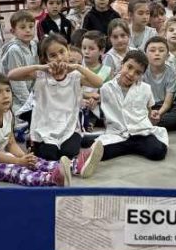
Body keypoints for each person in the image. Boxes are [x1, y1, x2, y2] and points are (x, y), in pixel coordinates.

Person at [8, 34, 104, 176]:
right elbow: (11, 75)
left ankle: (75, 159)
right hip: (44, 127)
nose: (59, 58)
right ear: (46, 58)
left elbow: (99, 82)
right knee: (50, 154)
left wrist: (77, 66)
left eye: (62, 52)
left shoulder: (75, 75)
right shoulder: (41, 74)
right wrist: (41, 66)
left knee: (68, 152)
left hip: (69, 126)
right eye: (53, 55)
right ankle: (75, 166)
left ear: (68, 51)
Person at [0, 74, 70, 186]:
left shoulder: (7, 114)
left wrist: (25, 158)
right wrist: (19, 161)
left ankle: (72, 167)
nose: (5, 96)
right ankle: (51, 178)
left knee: (35, 161)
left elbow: (11, 143)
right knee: (16, 170)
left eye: (7, 90)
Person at [90, 50, 168, 162]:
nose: (131, 74)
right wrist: (93, 101)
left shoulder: (145, 89)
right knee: (101, 153)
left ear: (142, 75)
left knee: (158, 152)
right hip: (118, 133)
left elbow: (149, 112)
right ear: (122, 64)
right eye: (129, 67)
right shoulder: (106, 88)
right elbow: (95, 100)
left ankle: (128, 146)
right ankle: (128, 146)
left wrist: (153, 117)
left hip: (141, 132)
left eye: (138, 73)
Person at [1, 10, 38, 116]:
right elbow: (16, 82)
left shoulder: (34, 45)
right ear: (13, 31)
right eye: (22, 27)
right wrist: (29, 103)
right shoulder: (14, 50)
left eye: (31, 27)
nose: (28, 30)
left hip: (30, 94)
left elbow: (35, 72)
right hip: (16, 98)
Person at [144, 36, 176, 131]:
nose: (157, 53)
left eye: (161, 50)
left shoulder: (172, 72)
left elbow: (168, 102)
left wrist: (159, 113)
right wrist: (149, 111)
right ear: (145, 54)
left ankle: (148, 124)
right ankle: (151, 123)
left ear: (167, 55)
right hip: (145, 106)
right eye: (152, 50)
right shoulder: (141, 71)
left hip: (164, 107)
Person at [79, 30, 110, 130]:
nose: (86, 52)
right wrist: (87, 97)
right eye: (84, 48)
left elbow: (108, 92)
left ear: (101, 51)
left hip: (97, 106)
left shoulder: (106, 71)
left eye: (91, 48)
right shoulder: (78, 67)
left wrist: (97, 99)